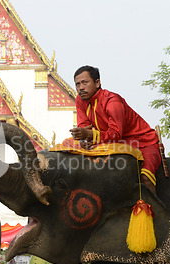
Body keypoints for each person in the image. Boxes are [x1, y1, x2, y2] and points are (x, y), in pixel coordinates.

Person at [69, 65, 161, 194]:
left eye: (85, 82)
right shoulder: (80, 100)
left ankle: (152, 212)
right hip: (111, 144)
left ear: (97, 83)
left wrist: (90, 135)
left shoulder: (112, 101)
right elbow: (84, 126)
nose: (81, 88)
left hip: (143, 143)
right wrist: (84, 140)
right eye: (77, 84)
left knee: (145, 178)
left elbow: (116, 133)